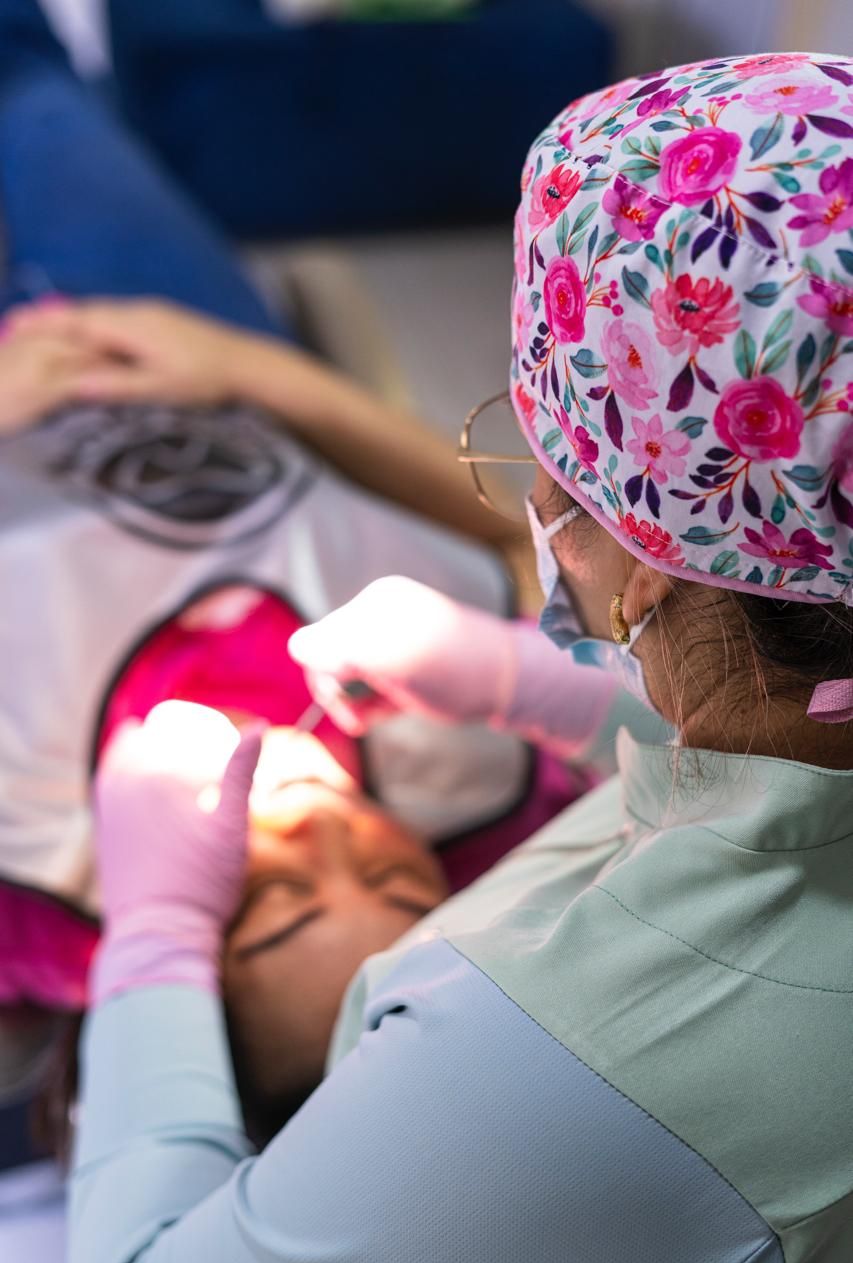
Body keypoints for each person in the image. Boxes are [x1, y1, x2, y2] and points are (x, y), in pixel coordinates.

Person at [66, 47, 853, 1263]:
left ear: (648, 564)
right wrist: (571, 700)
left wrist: (157, 931)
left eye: (541, 454)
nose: (534, 492)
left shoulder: (581, 1074)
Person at [0, 0, 599, 1112]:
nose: (327, 826)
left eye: (273, 902)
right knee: (33, 90)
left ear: (171, 983)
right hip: (193, 363)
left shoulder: (44, 906)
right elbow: (494, 534)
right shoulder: (491, 820)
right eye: (391, 872)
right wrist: (248, 368)